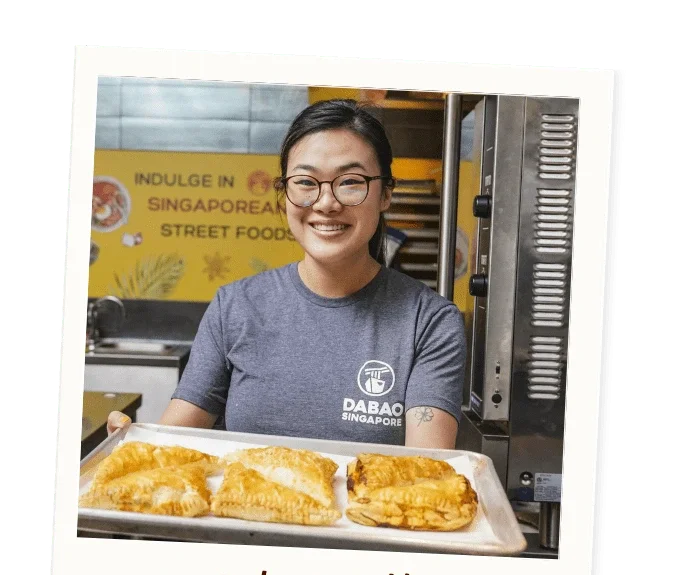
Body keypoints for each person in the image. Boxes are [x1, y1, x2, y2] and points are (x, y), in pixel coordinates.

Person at [108, 99, 465, 449]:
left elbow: (429, 471)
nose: (326, 202)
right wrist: (135, 443)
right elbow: (172, 443)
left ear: (386, 193)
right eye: (307, 182)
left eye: (351, 181)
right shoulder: (235, 306)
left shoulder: (429, 323)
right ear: (284, 196)